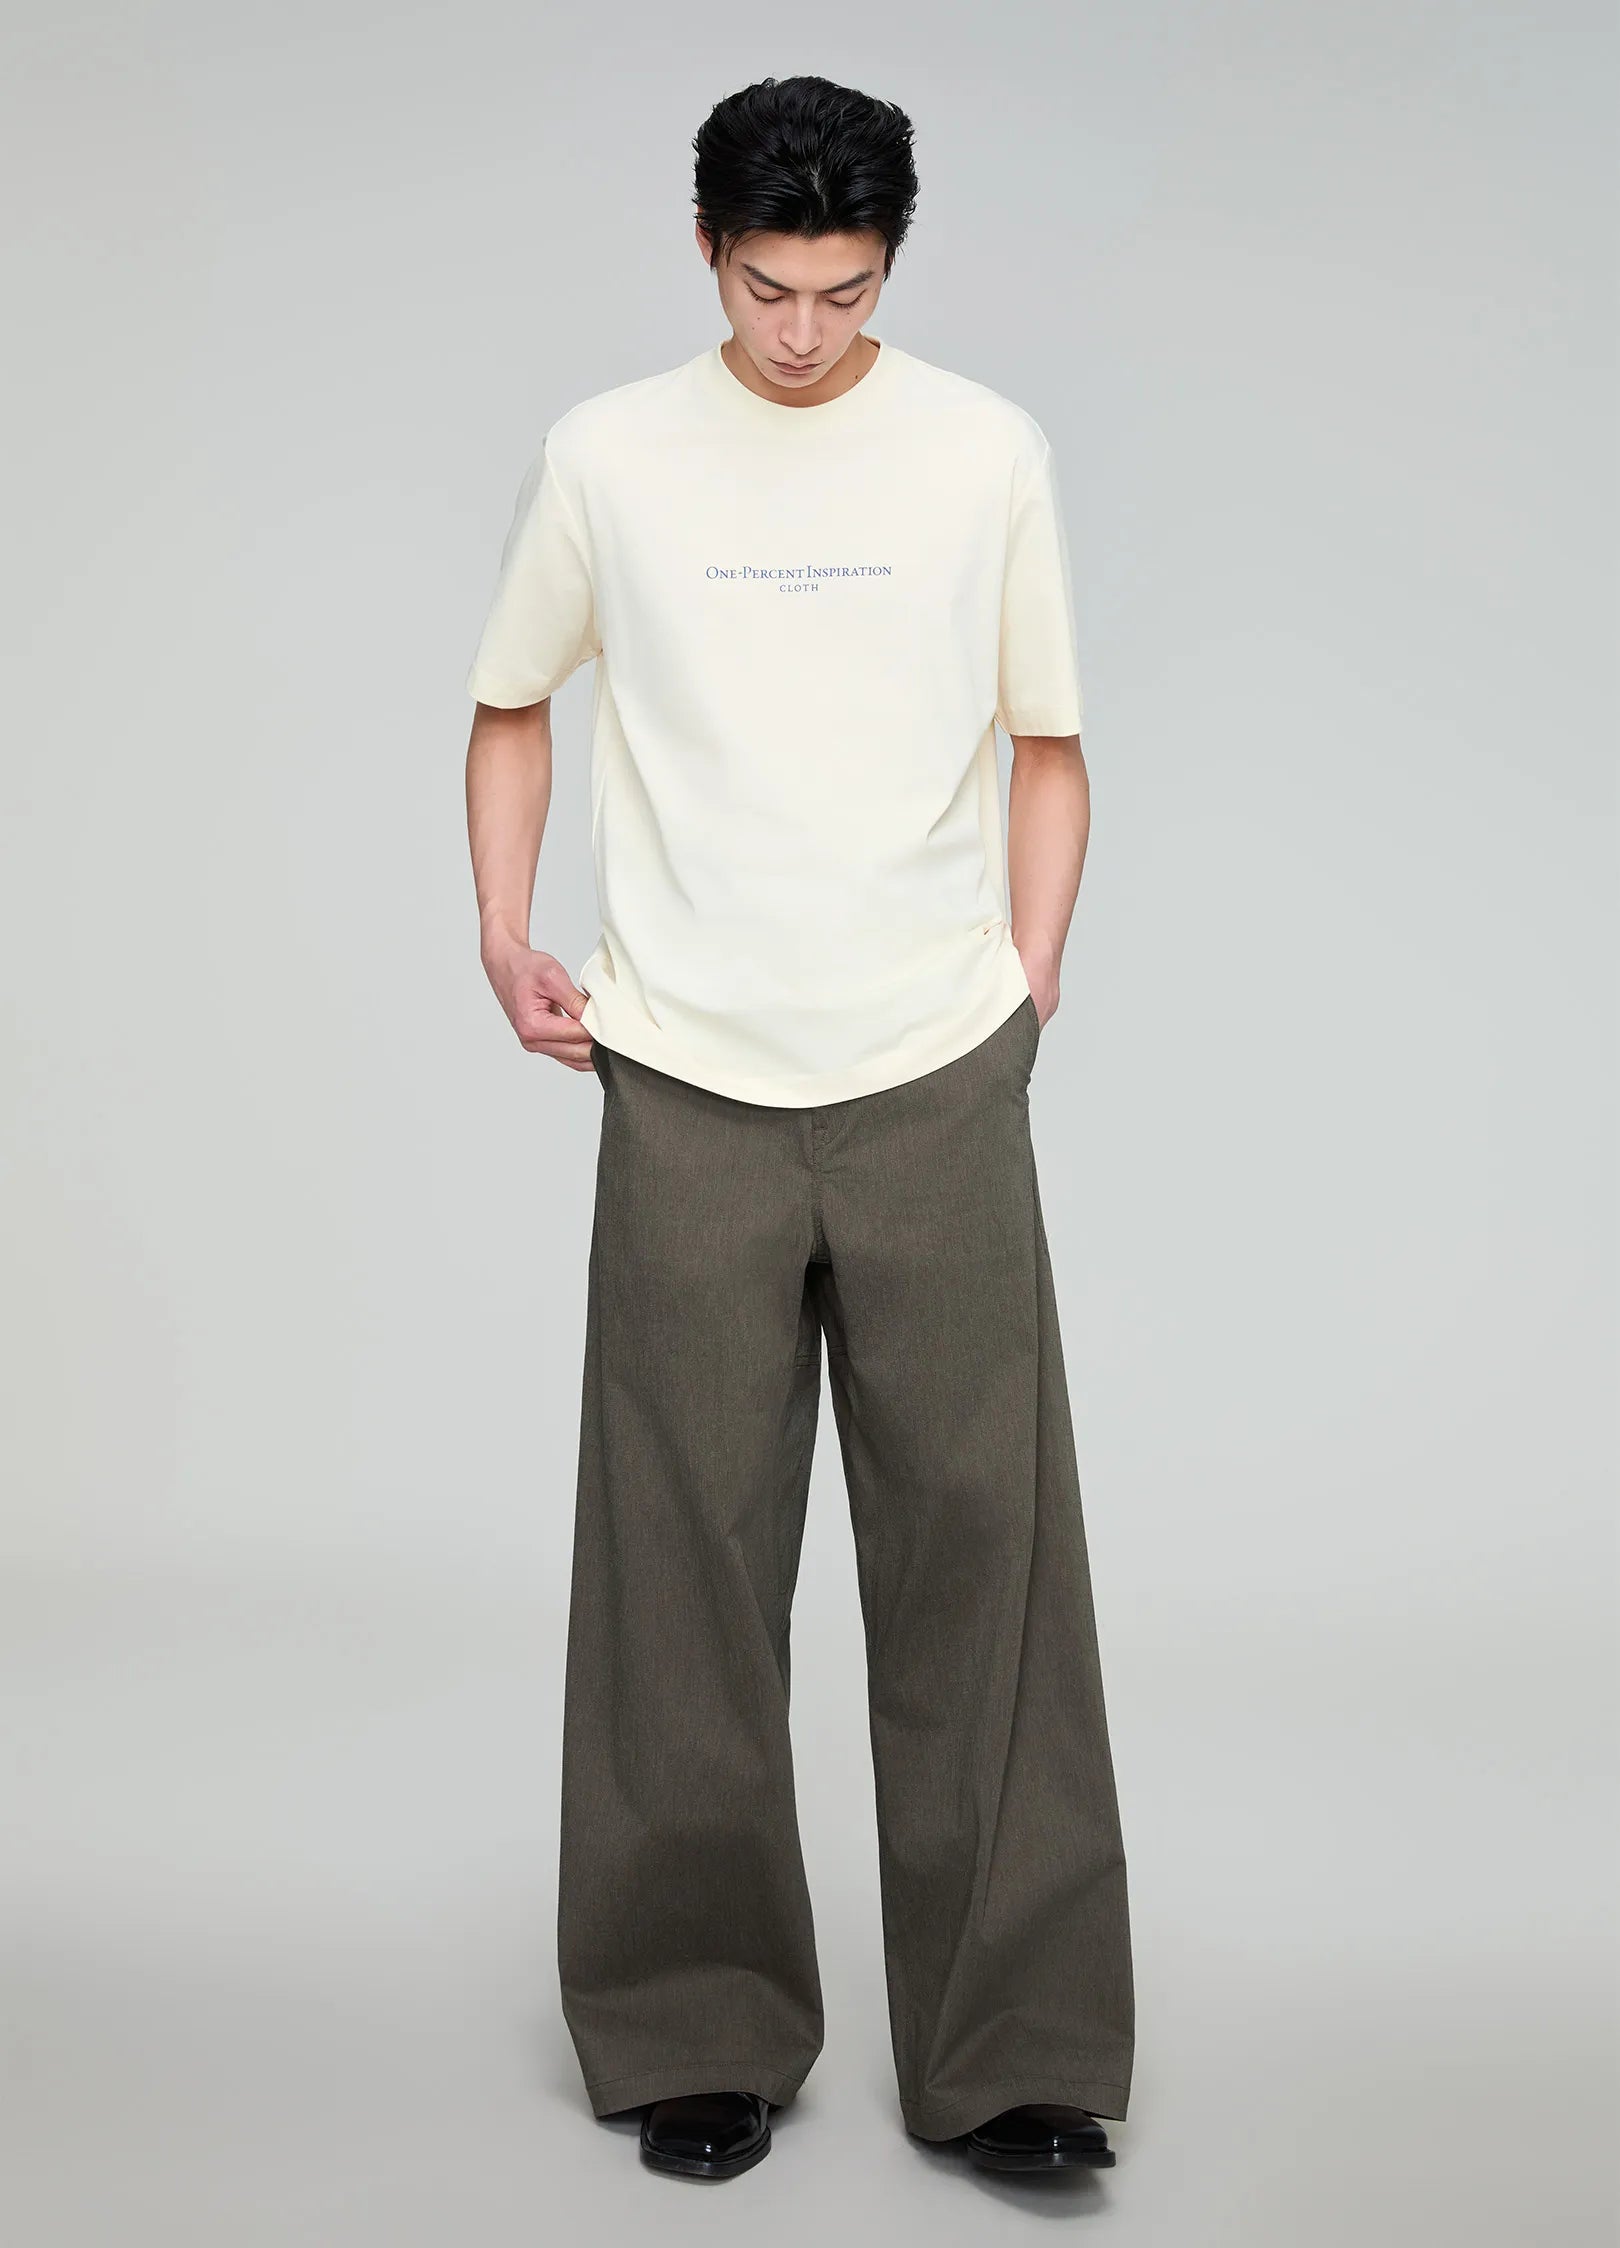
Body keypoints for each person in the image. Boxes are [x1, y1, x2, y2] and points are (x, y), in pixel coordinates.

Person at [462, 72, 1134, 2183]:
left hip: (934, 1069)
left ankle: (1015, 2053)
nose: (806, 332)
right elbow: (509, 702)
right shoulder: (608, 454)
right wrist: (503, 930)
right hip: (683, 1076)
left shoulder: (985, 451)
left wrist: (1028, 982)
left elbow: (1050, 738)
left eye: (846, 290)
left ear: (890, 264)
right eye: (770, 287)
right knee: (677, 1563)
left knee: (986, 1557)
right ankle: (696, 2026)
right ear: (707, 250)